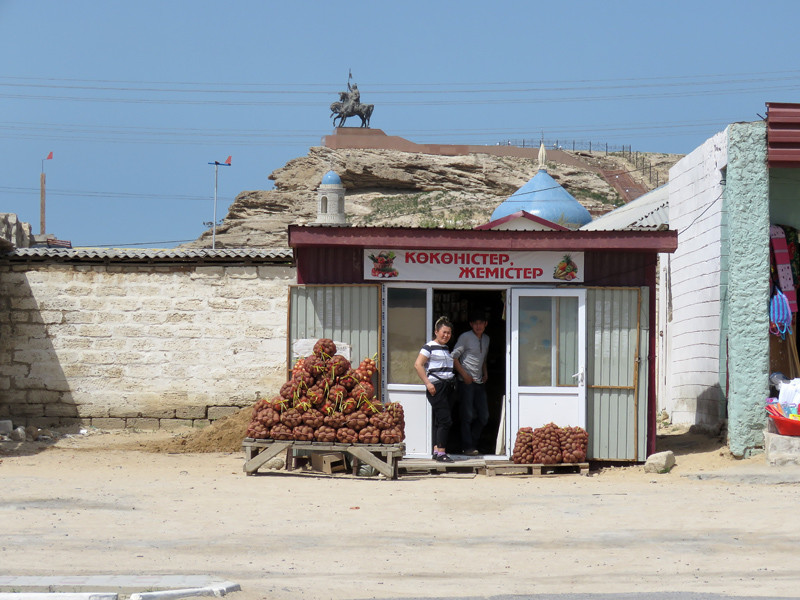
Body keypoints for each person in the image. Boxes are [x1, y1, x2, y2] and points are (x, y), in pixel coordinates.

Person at [414, 316, 456, 463]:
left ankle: (436, 450)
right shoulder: (429, 346)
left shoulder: (445, 348)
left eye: (449, 333)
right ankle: (442, 453)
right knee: (446, 420)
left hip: (448, 386)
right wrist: (428, 384)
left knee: (439, 420)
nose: (446, 335)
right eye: (444, 332)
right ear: (436, 332)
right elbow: (418, 365)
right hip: (436, 386)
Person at [452, 313, 490, 456]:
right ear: (471, 324)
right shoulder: (465, 337)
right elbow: (454, 357)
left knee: (484, 416)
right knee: (467, 416)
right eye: (475, 323)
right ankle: (467, 447)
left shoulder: (486, 339)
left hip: (479, 382)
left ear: (485, 323)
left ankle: (472, 443)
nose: (478, 326)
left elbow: (483, 358)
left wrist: (485, 373)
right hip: (466, 382)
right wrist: (464, 375)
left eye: (481, 323)